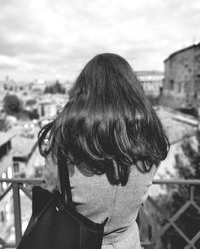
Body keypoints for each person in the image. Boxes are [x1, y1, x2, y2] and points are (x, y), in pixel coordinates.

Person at [38, 53, 169, 249]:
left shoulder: (65, 139)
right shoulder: (149, 137)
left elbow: (51, 185)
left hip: (77, 241)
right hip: (128, 242)